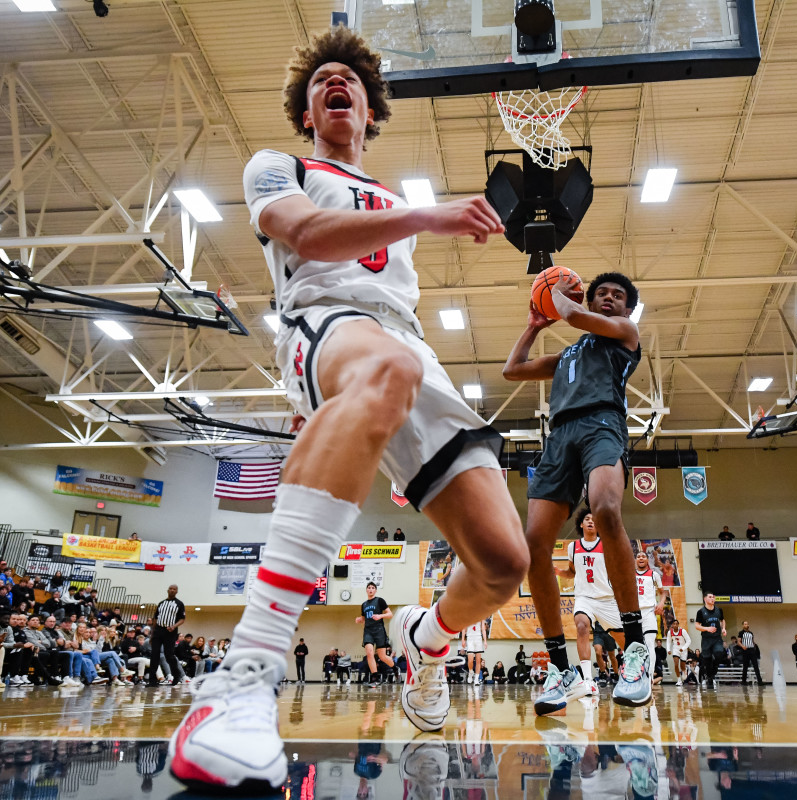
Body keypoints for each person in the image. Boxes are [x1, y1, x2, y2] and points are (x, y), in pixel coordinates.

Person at [167, 26, 529, 794]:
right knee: (386, 362)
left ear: (370, 109)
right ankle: (243, 678)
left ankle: (425, 640)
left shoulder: (393, 197)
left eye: (351, 80)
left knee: (503, 564)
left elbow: (393, 295)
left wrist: (414, 216)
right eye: (321, 80)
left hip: (407, 347)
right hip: (322, 317)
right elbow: (306, 235)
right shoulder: (281, 166)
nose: (337, 84)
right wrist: (429, 217)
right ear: (308, 110)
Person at [504, 270, 651, 712]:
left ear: (626, 308)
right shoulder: (569, 355)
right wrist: (533, 326)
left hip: (602, 425)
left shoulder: (625, 334)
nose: (607, 298)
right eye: (600, 293)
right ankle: (559, 670)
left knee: (605, 511)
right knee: (533, 547)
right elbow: (512, 370)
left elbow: (573, 316)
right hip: (559, 438)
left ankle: (638, 653)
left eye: (616, 295)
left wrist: (558, 299)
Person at [545, 509, 615, 710]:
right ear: (581, 525)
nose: (591, 521)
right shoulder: (573, 547)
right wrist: (560, 572)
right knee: (582, 626)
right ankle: (587, 680)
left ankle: (633, 672)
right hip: (584, 597)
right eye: (587, 519)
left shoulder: (606, 544)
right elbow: (573, 572)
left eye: (594, 520)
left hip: (606, 597)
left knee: (623, 639)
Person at [355, 582, 395, 687]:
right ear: (366, 590)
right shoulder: (364, 604)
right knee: (369, 653)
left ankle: (395, 668)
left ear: (375, 590)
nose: (371, 589)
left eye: (373, 588)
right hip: (368, 630)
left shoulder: (380, 600)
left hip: (379, 630)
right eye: (369, 588)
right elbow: (364, 618)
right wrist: (360, 619)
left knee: (382, 656)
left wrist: (380, 616)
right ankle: (374, 678)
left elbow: (390, 614)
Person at [634, 549, 664, 676]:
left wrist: (661, 603)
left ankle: (650, 676)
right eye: (638, 556)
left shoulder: (654, 574)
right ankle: (636, 674)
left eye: (643, 556)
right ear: (636, 560)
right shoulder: (630, 574)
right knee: (634, 645)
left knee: (650, 643)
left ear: (647, 560)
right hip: (634, 613)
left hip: (649, 611)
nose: (641, 558)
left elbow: (663, 593)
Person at [148, 585, 185, 687]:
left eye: (174, 589)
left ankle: (176, 675)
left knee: (169, 655)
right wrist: (152, 634)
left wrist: (174, 626)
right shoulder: (161, 603)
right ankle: (152, 681)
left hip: (170, 631)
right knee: (154, 655)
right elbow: (155, 618)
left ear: (177, 591)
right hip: (158, 630)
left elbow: (182, 619)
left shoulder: (179, 604)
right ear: (167, 590)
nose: (172, 590)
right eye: (171, 588)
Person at [694, 592, 726, 690]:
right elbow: (697, 626)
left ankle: (714, 670)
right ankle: (710, 678)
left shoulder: (719, 610)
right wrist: (707, 629)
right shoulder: (701, 612)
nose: (712, 599)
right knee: (707, 660)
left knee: (719, 653)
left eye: (713, 597)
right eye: (710, 597)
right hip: (706, 638)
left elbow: (722, 620)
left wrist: (723, 628)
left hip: (717, 638)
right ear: (705, 599)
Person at [666, 619, 691, 685]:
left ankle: (684, 670)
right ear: (672, 625)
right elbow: (668, 641)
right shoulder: (670, 632)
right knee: (676, 664)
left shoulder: (683, 631)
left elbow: (689, 641)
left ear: (678, 625)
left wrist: (683, 648)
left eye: (676, 624)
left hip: (683, 649)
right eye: (674, 624)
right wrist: (668, 649)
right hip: (676, 649)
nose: (675, 625)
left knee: (682, 666)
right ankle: (679, 680)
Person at [462, 618, 487, 686]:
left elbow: (483, 629)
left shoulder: (481, 615)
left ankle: (476, 679)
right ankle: (470, 672)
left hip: (478, 638)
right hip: (470, 638)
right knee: (470, 660)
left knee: (478, 660)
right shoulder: (467, 615)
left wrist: (485, 641)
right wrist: (463, 640)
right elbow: (464, 628)